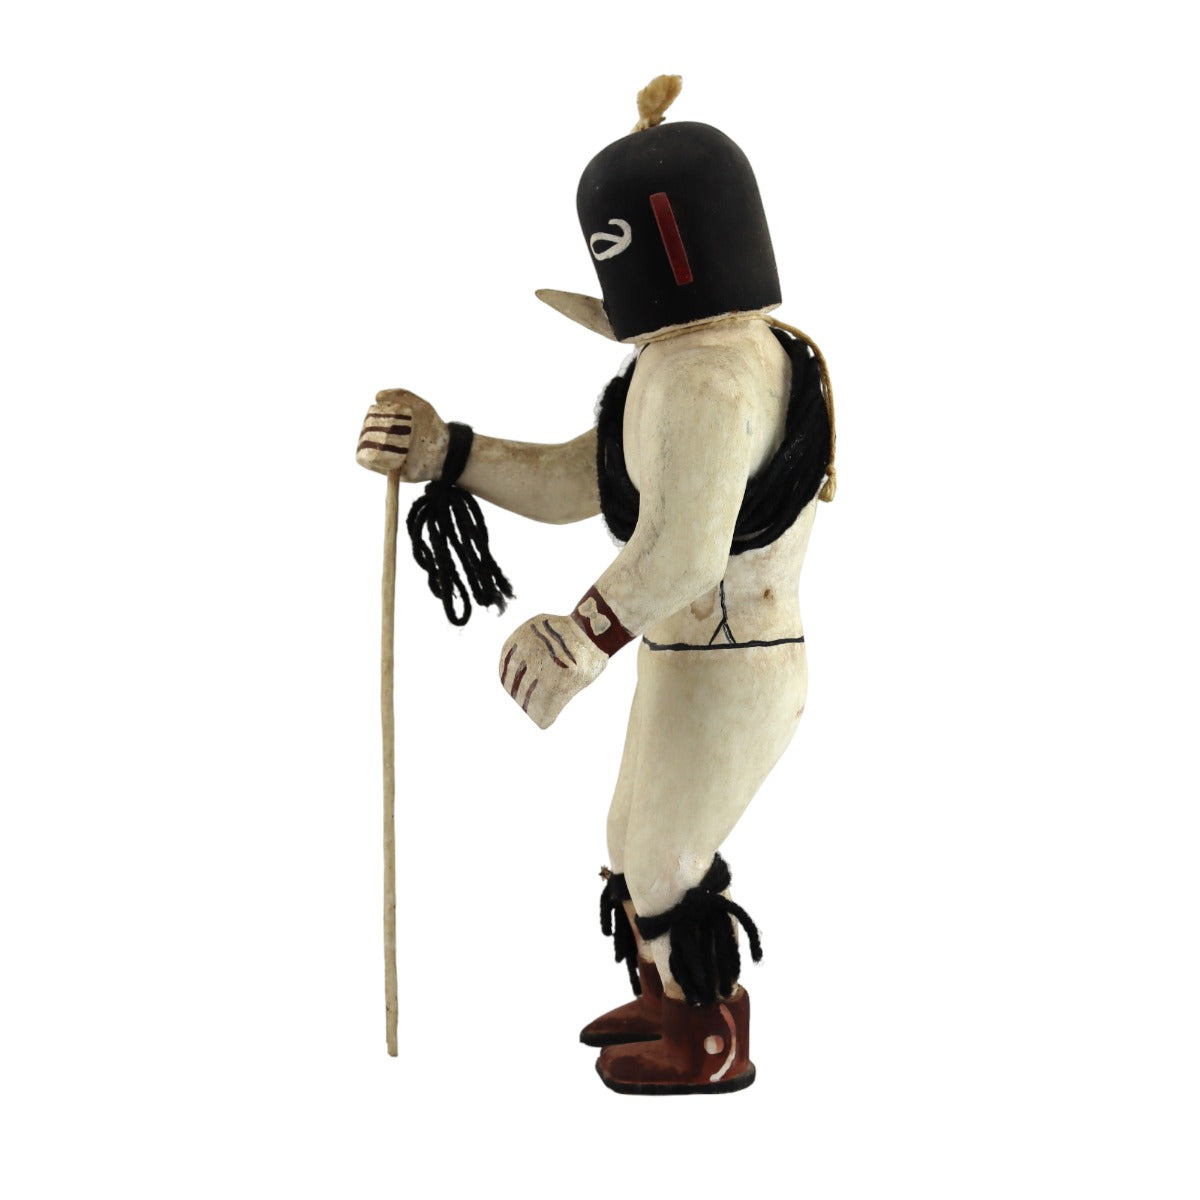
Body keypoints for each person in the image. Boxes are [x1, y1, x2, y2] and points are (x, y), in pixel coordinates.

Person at [356, 79, 834, 1094]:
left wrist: (580, 637)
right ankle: (671, 995)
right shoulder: (676, 367)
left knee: (663, 858)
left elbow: (687, 550)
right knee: (629, 842)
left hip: (738, 658)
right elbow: (586, 479)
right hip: (688, 655)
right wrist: (448, 453)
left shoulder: (713, 375)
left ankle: (709, 1038)